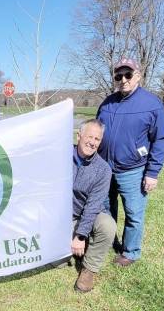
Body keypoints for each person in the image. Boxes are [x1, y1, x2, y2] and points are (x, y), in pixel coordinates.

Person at [97, 58, 164, 266]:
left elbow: (161, 140)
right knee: (105, 210)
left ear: (138, 76)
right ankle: (109, 240)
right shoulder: (107, 103)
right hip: (105, 169)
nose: (123, 80)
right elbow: (96, 132)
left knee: (134, 214)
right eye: (118, 76)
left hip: (133, 170)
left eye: (128, 75)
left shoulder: (151, 104)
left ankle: (130, 252)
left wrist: (152, 172)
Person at [71, 119, 116, 293]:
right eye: (89, 136)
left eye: (97, 139)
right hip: (62, 216)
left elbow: (93, 206)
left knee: (107, 225)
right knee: (58, 263)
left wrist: (80, 236)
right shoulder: (60, 154)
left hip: (87, 213)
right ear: (79, 135)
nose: (92, 142)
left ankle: (89, 270)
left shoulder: (103, 170)